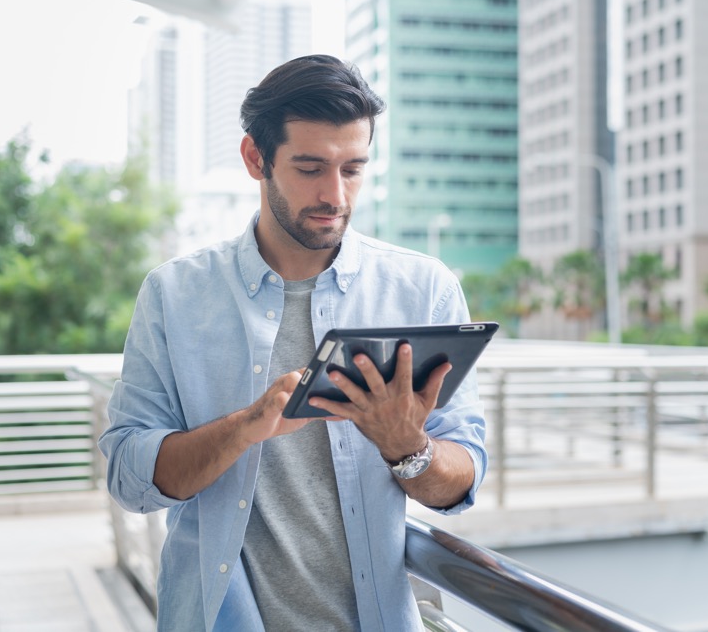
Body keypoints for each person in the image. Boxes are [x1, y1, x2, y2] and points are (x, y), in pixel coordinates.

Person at [99, 54, 487, 631]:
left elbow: (466, 471)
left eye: (353, 168)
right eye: (310, 168)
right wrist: (245, 426)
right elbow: (129, 477)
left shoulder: (422, 289)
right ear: (256, 158)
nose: (336, 194)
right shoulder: (175, 295)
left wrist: (407, 445)